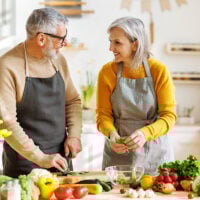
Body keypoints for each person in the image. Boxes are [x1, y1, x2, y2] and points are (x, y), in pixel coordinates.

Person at [0, 7, 82, 178]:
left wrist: (74, 136)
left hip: (61, 163)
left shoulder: (58, 60)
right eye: (61, 39)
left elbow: (73, 101)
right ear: (41, 38)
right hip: (24, 168)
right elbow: (6, 123)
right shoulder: (8, 66)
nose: (65, 43)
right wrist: (41, 158)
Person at [96, 17, 176, 175]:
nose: (110, 48)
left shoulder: (158, 70)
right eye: (110, 42)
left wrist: (144, 133)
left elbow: (169, 117)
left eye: (117, 43)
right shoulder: (107, 72)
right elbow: (103, 115)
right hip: (118, 153)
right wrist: (111, 134)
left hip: (155, 153)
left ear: (135, 44)